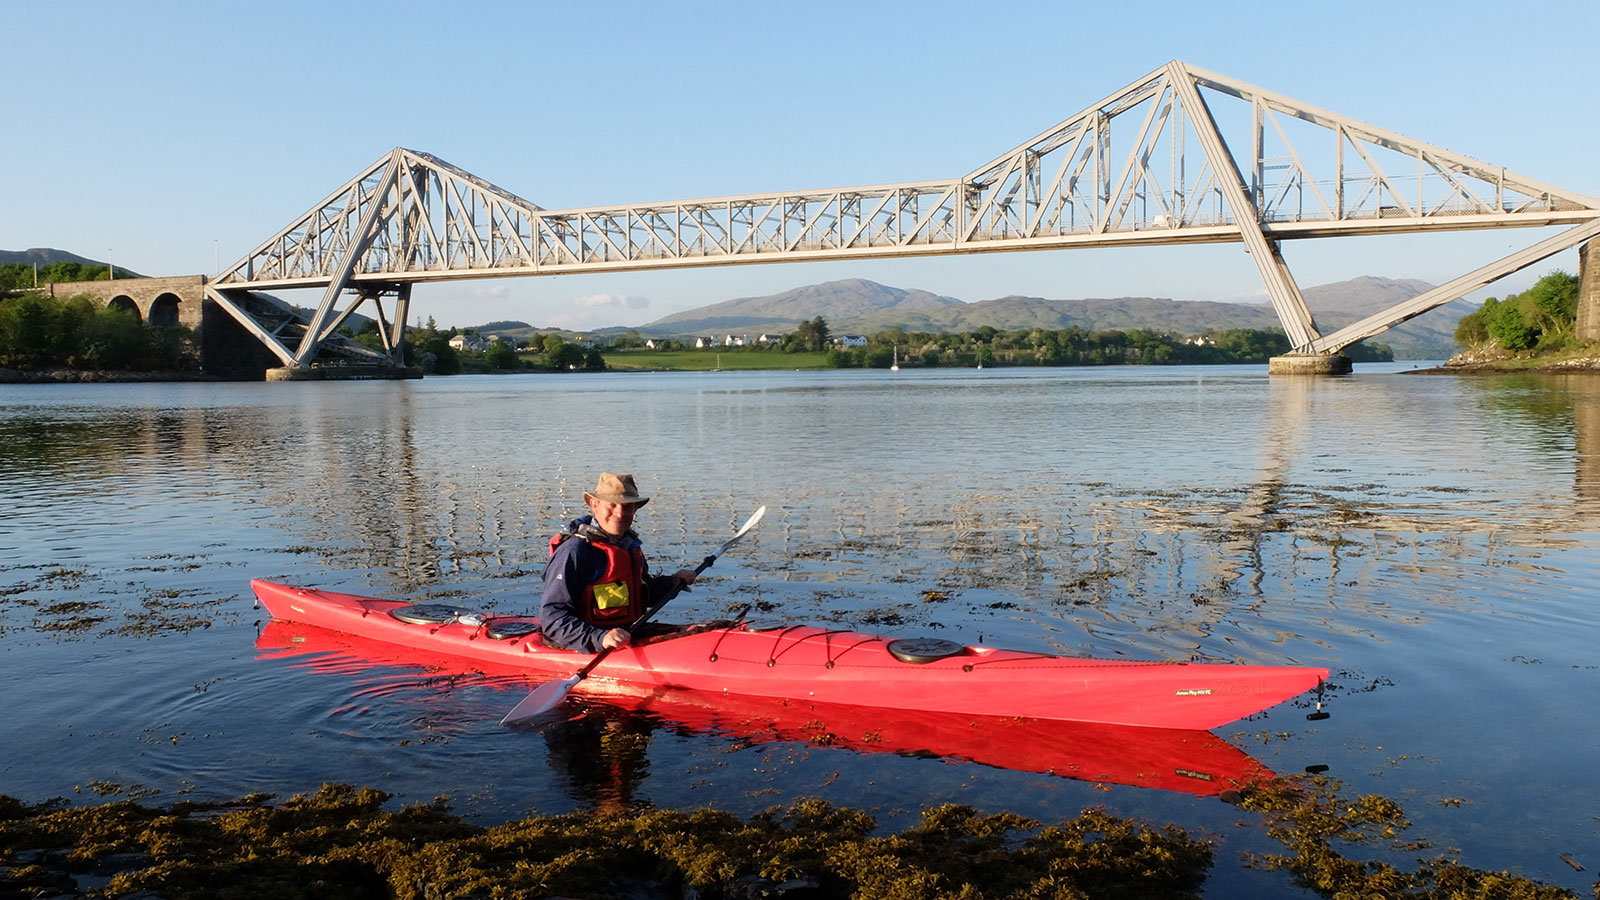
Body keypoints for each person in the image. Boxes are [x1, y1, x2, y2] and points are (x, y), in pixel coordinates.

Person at [539, 472, 698, 653]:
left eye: (628, 507)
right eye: (612, 505)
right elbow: (552, 617)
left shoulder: (628, 545)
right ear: (594, 505)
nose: (620, 513)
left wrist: (672, 582)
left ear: (635, 509)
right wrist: (599, 637)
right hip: (584, 644)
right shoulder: (575, 551)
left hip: (626, 634)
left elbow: (639, 592)